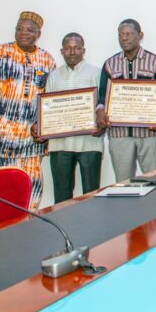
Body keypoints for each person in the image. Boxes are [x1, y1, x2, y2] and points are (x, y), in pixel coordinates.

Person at [0, 11, 56, 209]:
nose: (24, 33)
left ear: (38, 34)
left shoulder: (47, 60)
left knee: (33, 188)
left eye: (30, 30)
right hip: (1, 137)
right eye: (20, 29)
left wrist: (44, 126)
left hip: (32, 140)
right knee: (3, 190)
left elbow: (52, 100)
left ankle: (29, 229)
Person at [33, 33, 103, 203]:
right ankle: (63, 228)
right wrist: (40, 125)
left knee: (91, 193)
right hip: (60, 144)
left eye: (77, 48)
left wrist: (102, 124)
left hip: (89, 142)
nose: (72, 52)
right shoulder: (54, 75)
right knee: (62, 194)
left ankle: (94, 227)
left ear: (83, 50)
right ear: (62, 51)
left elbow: (103, 103)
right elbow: (47, 107)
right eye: (68, 48)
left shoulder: (97, 73)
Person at [96, 19, 156, 182]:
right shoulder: (110, 63)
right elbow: (102, 94)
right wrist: (100, 110)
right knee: (123, 183)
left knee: (154, 180)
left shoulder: (155, 62)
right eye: (121, 35)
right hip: (119, 134)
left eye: (129, 34)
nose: (124, 38)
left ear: (140, 35)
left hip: (149, 134)